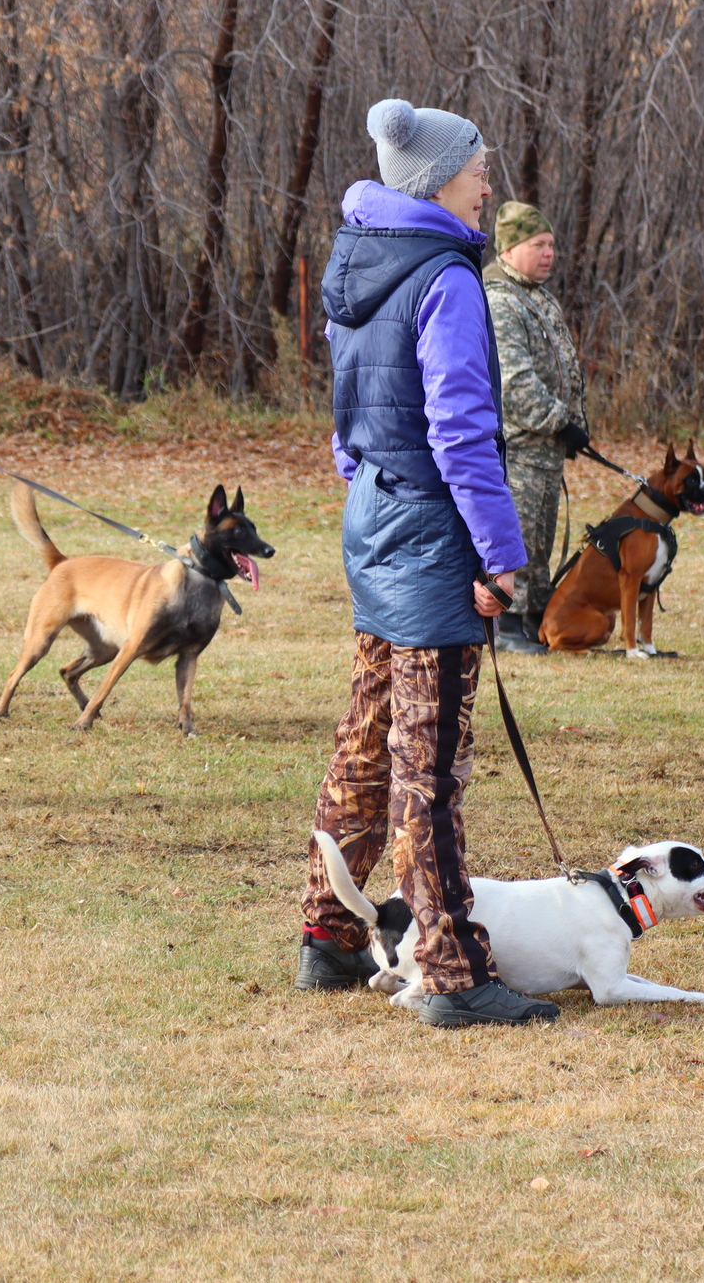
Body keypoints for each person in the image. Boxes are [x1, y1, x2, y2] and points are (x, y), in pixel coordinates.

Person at [294, 100, 559, 1027]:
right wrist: (500, 554)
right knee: (428, 760)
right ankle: (450, 973)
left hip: (373, 517)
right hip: (434, 534)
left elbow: (346, 408)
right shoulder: (445, 275)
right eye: (479, 168)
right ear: (438, 177)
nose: (489, 182)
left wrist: (365, 475)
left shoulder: (359, 256)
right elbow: (459, 428)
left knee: (368, 738)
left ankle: (326, 939)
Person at [482, 200, 589, 654]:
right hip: (520, 447)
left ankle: (531, 620)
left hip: (545, 450)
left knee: (542, 539)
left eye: (551, 245)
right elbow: (515, 380)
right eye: (537, 244)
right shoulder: (501, 301)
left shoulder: (537, 296)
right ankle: (506, 626)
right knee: (519, 538)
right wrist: (560, 422)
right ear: (509, 249)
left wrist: (573, 425)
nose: (548, 253)